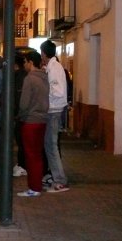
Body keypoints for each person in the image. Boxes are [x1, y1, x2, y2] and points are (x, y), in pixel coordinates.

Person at [16, 50, 49, 197]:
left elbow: (24, 104)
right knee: (38, 155)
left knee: (31, 156)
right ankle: (37, 185)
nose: (24, 65)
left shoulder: (29, 79)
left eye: (25, 62)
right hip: (42, 120)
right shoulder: (45, 77)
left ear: (30, 62)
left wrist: (20, 116)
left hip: (30, 121)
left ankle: (34, 188)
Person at [40, 39, 69, 192]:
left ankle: (60, 180)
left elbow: (58, 91)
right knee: (49, 145)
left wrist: (46, 93)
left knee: (51, 145)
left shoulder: (54, 68)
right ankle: (56, 177)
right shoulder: (53, 67)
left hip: (54, 111)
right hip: (53, 110)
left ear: (44, 53)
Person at [13, 54, 28, 177]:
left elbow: (18, 97)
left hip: (21, 115)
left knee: (21, 142)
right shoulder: (24, 75)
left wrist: (16, 113)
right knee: (22, 142)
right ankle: (22, 164)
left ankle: (22, 165)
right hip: (23, 114)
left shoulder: (19, 77)